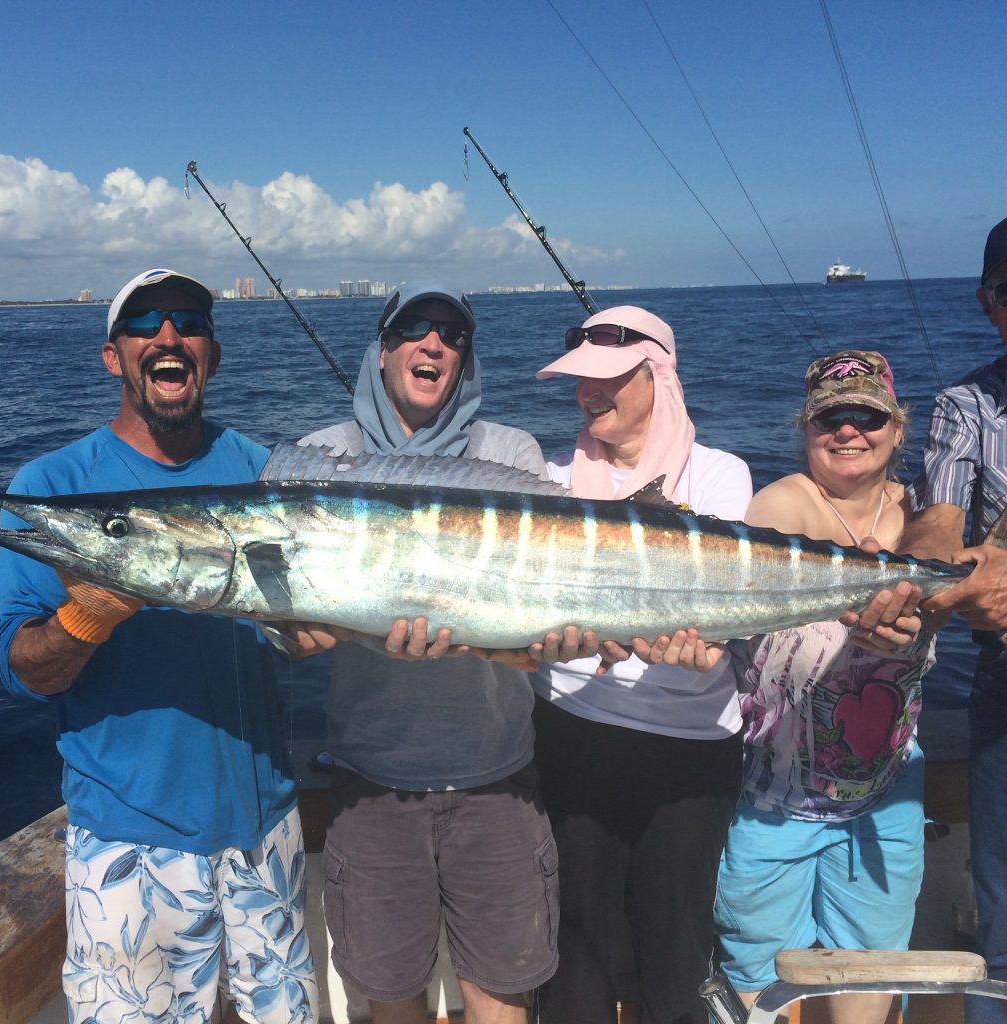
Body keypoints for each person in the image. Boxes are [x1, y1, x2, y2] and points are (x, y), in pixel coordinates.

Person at [0, 269, 317, 1024]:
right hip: (127, 845)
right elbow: (19, 667)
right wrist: (85, 619)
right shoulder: (56, 484)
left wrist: (326, 635)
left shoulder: (263, 472)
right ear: (113, 355)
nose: (168, 335)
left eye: (188, 320)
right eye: (144, 323)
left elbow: (296, 636)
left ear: (213, 352)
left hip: (265, 832)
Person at [286, 282, 559, 1024]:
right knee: (392, 997)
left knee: (504, 997)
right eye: (413, 328)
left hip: (498, 781)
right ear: (382, 350)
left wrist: (554, 641)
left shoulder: (510, 451)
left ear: (464, 361)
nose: (433, 343)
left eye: (452, 334)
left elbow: (543, 601)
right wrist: (292, 630)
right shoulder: (320, 459)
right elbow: (276, 623)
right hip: (374, 785)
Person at [528, 305, 753, 1024]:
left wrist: (709, 650)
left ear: (659, 375)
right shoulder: (547, 478)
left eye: (610, 380)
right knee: (579, 951)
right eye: (581, 382)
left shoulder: (719, 476)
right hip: (572, 735)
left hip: (690, 751)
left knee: (675, 950)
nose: (589, 394)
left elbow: (725, 620)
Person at [714, 350, 931, 1024]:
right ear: (804, 429)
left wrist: (920, 618)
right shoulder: (782, 501)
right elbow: (793, 548)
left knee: (869, 975)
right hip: (771, 802)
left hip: (885, 799)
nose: (847, 432)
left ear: (897, 428)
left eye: (867, 416)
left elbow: (950, 582)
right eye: (828, 419)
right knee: (758, 980)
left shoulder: (927, 515)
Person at [900, 217, 1007, 1023]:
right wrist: (942, 576)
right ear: (986, 302)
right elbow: (940, 519)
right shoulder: (966, 403)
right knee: (1001, 932)